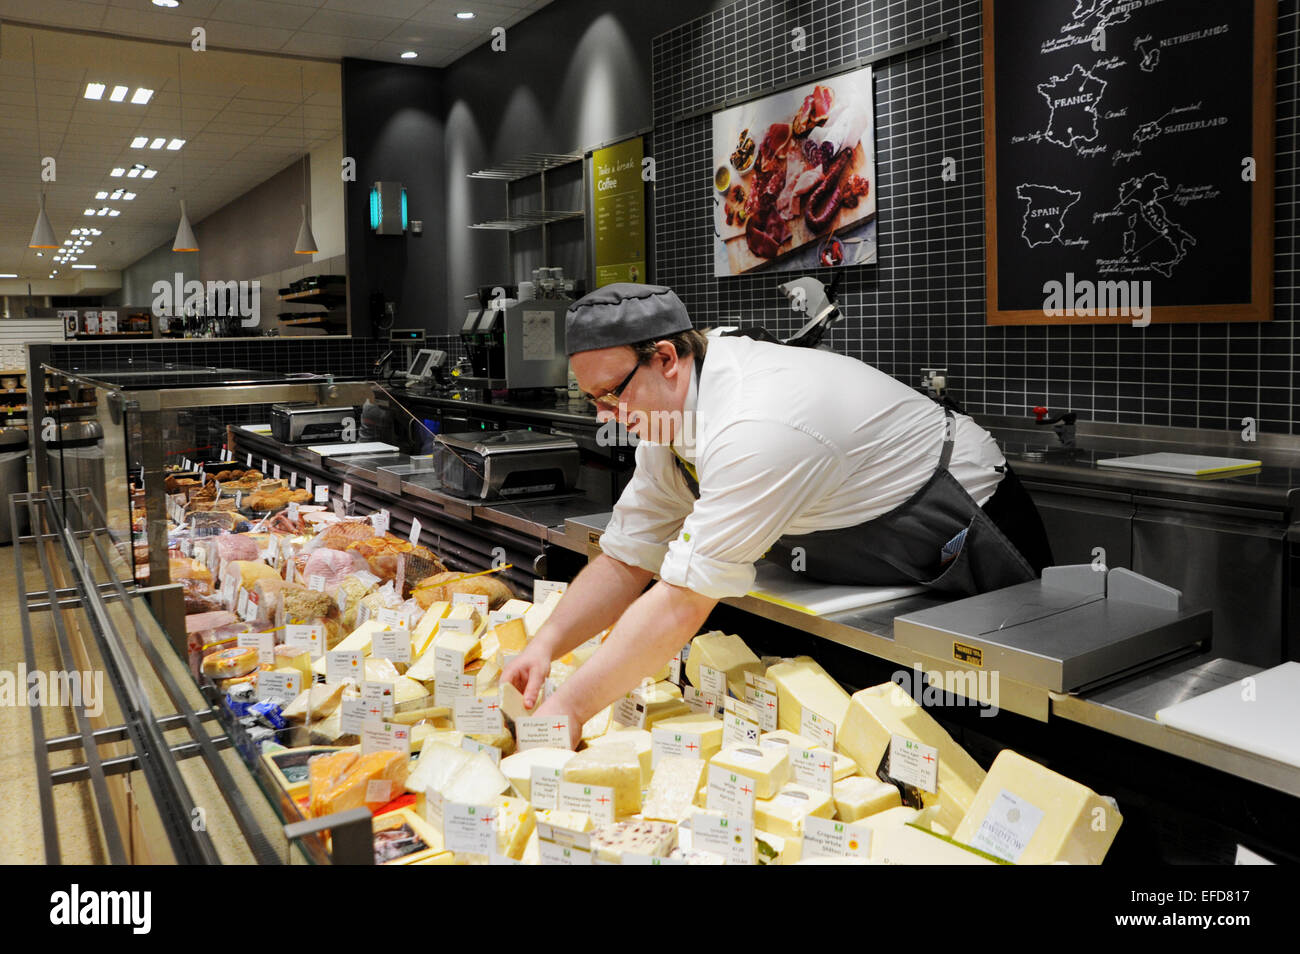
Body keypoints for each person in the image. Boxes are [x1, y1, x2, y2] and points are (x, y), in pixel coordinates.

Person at [502, 283, 1051, 744]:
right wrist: (545, 645)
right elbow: (628, 557)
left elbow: (680, 603)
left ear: (667, 358)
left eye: (611, 395)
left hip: (960, 516)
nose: (608, 417)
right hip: (860, 546)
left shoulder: (753, 424)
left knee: (1000, 705)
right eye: (594, 400)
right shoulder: (667, 421)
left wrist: (571, 708)